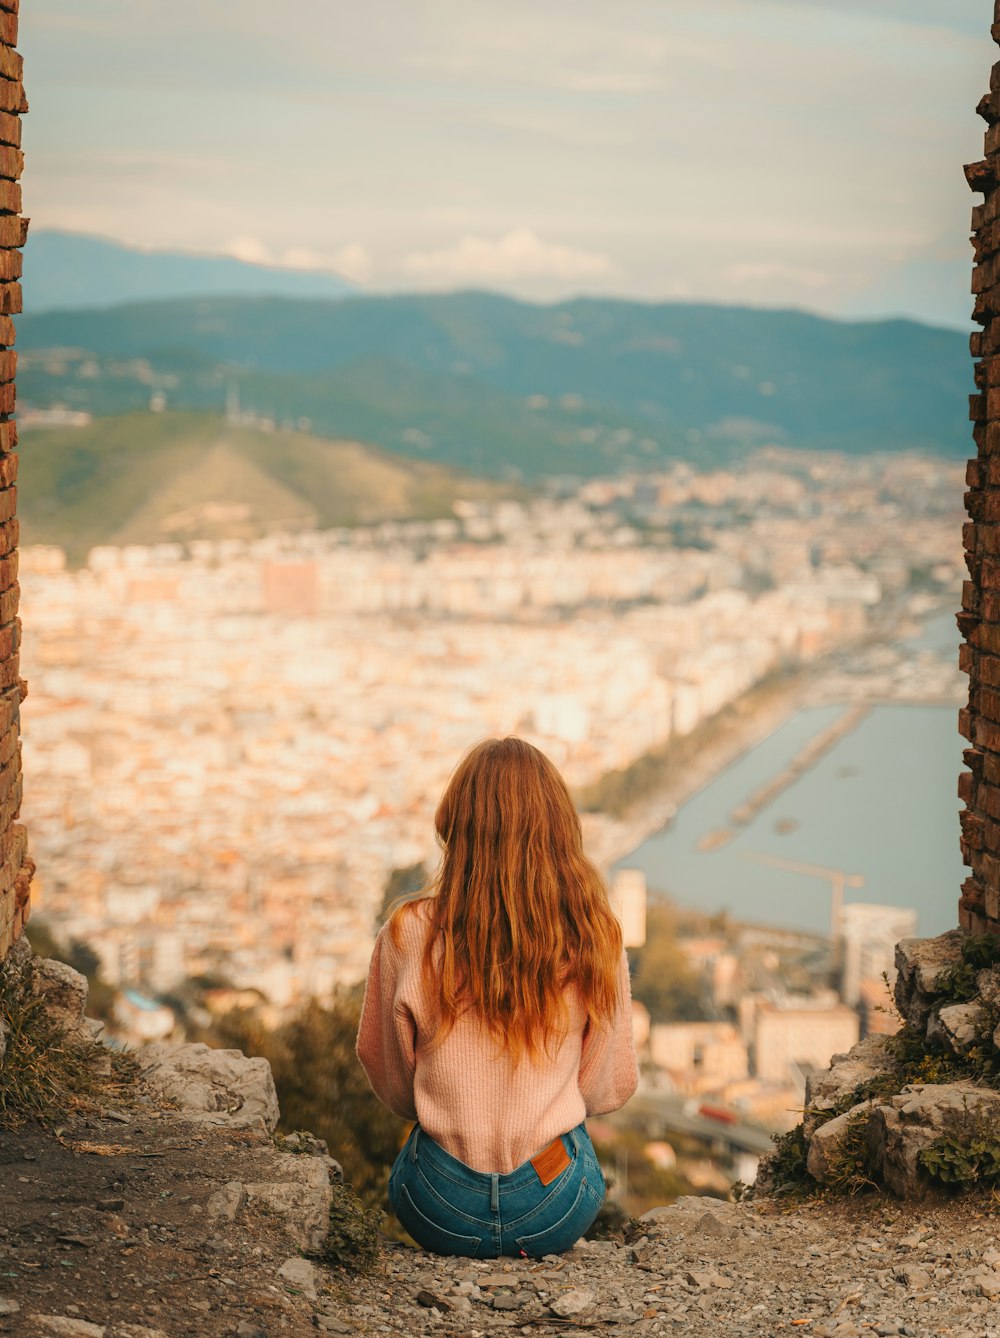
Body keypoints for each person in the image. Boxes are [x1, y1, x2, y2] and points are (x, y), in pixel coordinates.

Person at [356, 736, 638, 1258]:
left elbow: (391, 1076)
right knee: (573, 1139)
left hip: (438, 1203)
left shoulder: (407, 932)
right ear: (559, 829)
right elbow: (606, 1089)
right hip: (555, 1203)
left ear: (456, 826)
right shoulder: (594, 934)